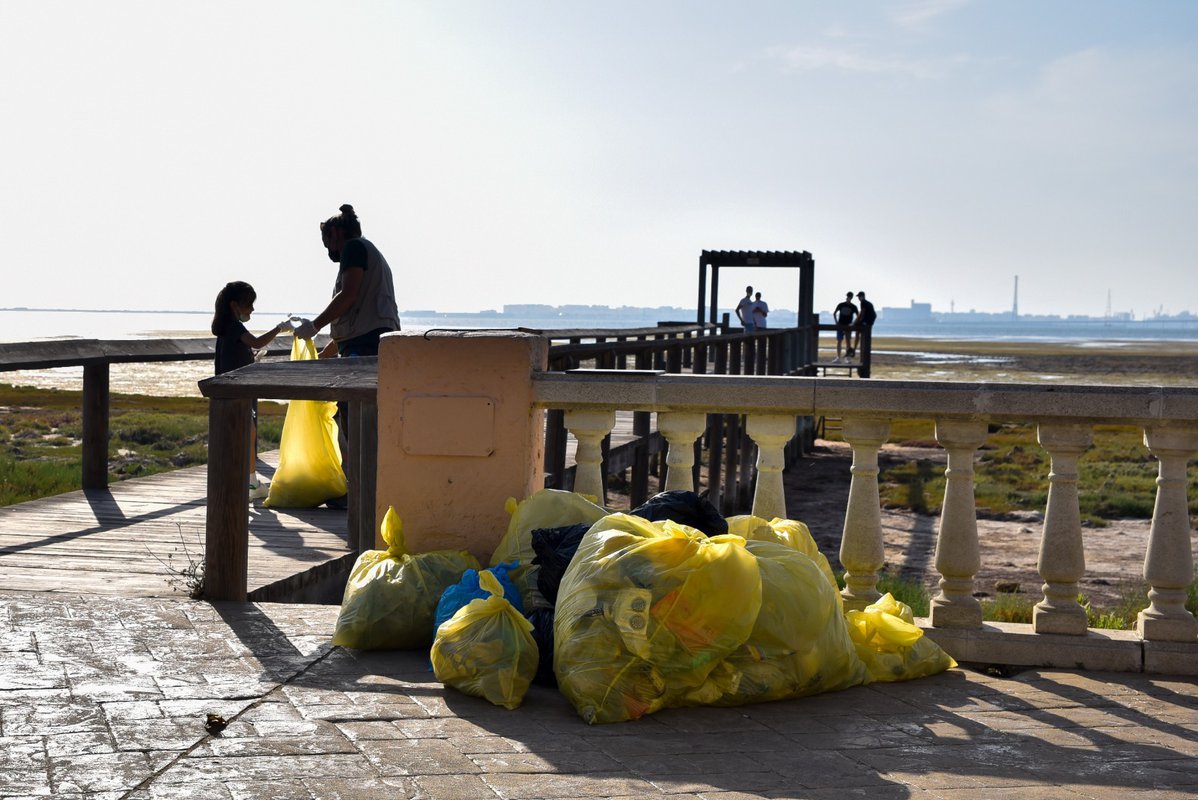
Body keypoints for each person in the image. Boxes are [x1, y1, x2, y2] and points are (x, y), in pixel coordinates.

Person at [211, 281, 290, 497]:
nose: (252, 309)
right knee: (246, 434)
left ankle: (246, 481)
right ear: (234, 305)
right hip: (236, 392)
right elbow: (256, 342)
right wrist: (280, 328)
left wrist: (251, 359)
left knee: (243, 435)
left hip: (227, 391)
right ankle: (249, 483)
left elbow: (236, 355)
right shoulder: (234, 326)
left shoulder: (225, 328)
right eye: (249, 304)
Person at [293, 204, 401, 356]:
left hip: (365, 345)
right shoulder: (369, 253)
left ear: (336, 232)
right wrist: (323, 355)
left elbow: (348, 295)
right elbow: (354, 324)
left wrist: (314, 326)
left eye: (327, 243)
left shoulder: (353, 247)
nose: (329, 250)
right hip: (372, 342)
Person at [833, 291, 858, 362]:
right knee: (839, 341)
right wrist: (836, 322)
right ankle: (838, 357)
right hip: (840, 324)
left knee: (848, 341)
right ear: (847, 297)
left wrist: (853, 323)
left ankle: (848, 358)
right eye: (848, 297)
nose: (849, 298)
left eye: (850, 297)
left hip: (848, 326)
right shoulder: (841, 305)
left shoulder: (853, 307)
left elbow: (858, 315)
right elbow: (834, 313)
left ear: (851, 298)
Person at [851, 290, 877, 357]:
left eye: (859, 297)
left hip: (867, 321)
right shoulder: (868, 303)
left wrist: (855, 322)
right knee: (859, 330)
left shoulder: (863, 302)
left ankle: (854, 348)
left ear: (862, 296)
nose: (858, 298)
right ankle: (855, 348)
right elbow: (862, 313)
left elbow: (862, 313)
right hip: (870, 321)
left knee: (857, 329)